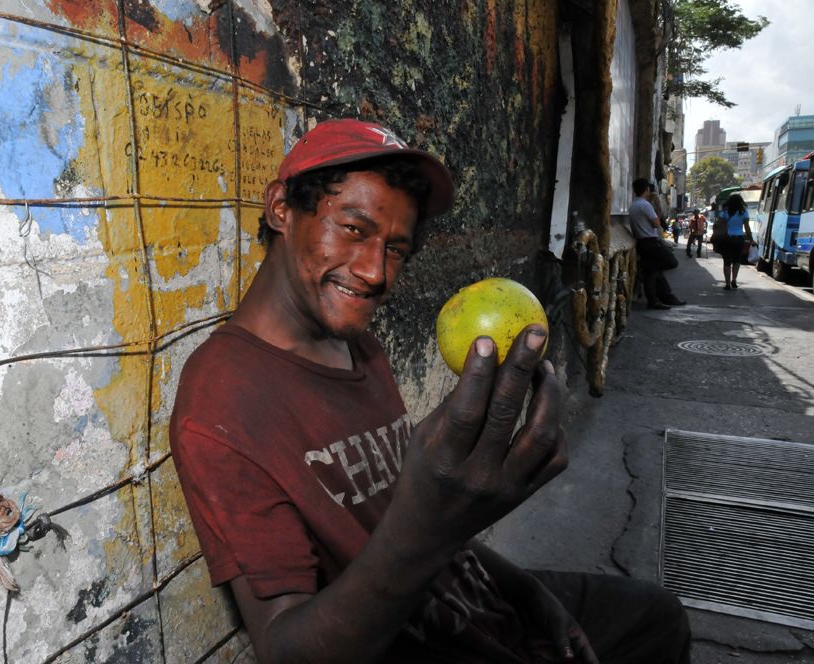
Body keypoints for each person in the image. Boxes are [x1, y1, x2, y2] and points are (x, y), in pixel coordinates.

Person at [170, 119, 691, 663]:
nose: (376, 273)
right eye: (353, 229)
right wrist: (432, 523)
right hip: (418, 639)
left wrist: (529, 592)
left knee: (657, 616)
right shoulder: (222, 402)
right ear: (281, 208)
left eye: (396, 249)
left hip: (477, 595)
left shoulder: (359, 346)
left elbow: (431, 525)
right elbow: (286, 649)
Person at [628, 178, 686, 310]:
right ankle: (658, 299)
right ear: (647, 190)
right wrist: (657, 203)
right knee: (670, 262)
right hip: (650, 242)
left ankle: (660, 299)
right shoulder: (645, 205)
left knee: (654, 271)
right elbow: (657, 223)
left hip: (642, 242)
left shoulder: (633, 205)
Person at [717, 193, 754, 289]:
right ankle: (734, 280)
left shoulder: (725, 212)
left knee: (727, 262)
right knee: (737, 261)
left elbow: (719, 225)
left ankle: (727, 284)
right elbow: (747, 228)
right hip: (739, 239)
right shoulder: (744, 212)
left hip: (727, 239)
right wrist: (751, 239)